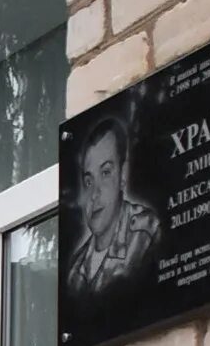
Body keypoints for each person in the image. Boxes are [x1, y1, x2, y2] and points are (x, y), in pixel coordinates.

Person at [67, 115, 159, 298]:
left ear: (123, 175)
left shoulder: (147, 234)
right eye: (88, 181)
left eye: (106, 172)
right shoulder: (74, 271)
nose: (94, 194)